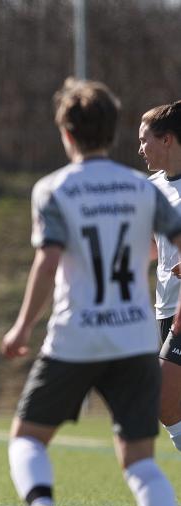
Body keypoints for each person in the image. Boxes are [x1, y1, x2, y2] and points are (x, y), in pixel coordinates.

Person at [0, 78, 181, 506]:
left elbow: (47, 264)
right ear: (114, 131)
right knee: (140, 458)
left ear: (66, 134)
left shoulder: (54, 188)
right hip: (136, 337)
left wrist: (20, 327)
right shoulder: (140, 189)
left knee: (27, 437)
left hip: (76, 335)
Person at [139, 102, 181, 451]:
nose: (140, 149)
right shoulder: (151, 189)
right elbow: (154, 249)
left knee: (163, 400)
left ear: (167, 140)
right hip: (164, 308)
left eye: (145, 140)